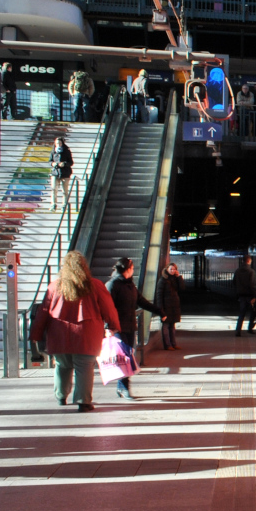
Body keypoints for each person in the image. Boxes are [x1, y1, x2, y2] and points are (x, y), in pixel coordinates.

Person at [29, 251, 120, 412]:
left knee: (62, 365)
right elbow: (109, 308)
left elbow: (43, 312)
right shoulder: (95, 285)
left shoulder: (54, 286)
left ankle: (61, 396)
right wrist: (113, 326)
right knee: (84, 367)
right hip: (87, 333)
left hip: (59, 334)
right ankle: (83, 401)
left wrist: (35, 334)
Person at [106, 257, 160, 400]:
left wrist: (159, 310)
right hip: (117, 328)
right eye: (132, 268)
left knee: (128, 357)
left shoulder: (130, 286)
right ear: (127, 269)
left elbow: (141, 301)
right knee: (124, 357)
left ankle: (121, 387)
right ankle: (124, 388)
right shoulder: (113, 285)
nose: (134, 270)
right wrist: (108, 327)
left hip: (130, 326)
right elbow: (107, 308)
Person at [154, 262, 184, 350]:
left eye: (174, 269)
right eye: (171, 269)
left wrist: (179, 277)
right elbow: (159, 295)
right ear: (166, 269)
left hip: (174, 306)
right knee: (166, 325)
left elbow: (182, 288)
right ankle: (167, 345)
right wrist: (160, 309)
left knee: (172, 325)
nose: (172, 271)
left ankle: (173, 343)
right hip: (166, 306)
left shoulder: (175, 279)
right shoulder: (163, 280)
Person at [233, 255, 256, 336]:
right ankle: (250, 328)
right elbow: (252, 285)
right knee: (253, 312)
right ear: (249, 261)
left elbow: (234, 282)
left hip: (241, 295)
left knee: (242, 313)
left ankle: (238, 331)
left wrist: (238, 291)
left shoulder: (237, 271)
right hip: (250, 296)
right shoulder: (251, 271)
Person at [49, 135, 73, 211]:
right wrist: (53, 164)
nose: (58, 144)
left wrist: (64, 164)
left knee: (64, 190)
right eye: (57, 143)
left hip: (65, 173)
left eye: (59, 143)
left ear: (62, 143)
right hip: (55, 172)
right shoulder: (53, 151)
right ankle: (53, 204)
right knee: (54, 189)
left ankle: (64, 204)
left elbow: (71, 162)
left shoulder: (66, 151)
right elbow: (50, 161)